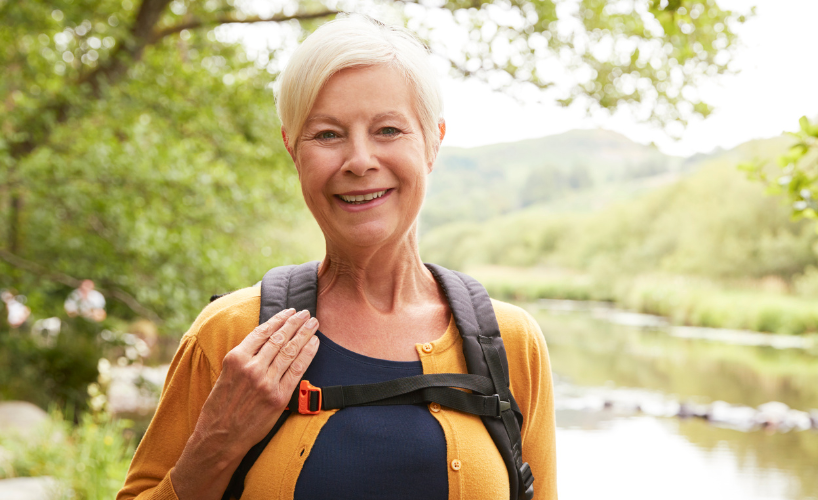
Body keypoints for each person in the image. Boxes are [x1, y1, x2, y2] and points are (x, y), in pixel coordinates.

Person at [117, 14, 556, 500]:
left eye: (388, 130)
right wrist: (218, 442)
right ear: (292, 149)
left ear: (433, 141)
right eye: (327, 134)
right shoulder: (229, 335)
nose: (360, 160)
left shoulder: (511, 343)